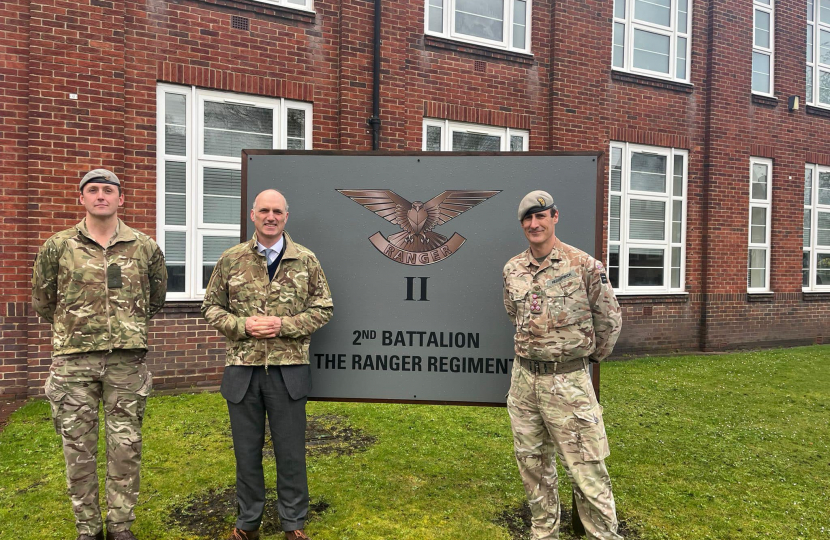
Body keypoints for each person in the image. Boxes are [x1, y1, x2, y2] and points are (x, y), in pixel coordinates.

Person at [32, 169, 168, 540]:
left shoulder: (144, 247)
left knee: (125, 448)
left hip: (126, 363)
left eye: (109, 190)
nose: (101, 196)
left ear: (121, 199)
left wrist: (125, 327)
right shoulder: (58, 246)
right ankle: (88, 528)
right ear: (82, 198)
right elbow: (44, 300)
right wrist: (77, 330)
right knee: (79, 449)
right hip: (74, 363)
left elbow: (155, 299)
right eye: (93, 190)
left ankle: (121, 527)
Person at [202, 189, 333, 540]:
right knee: (246, 453)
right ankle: (247, 523)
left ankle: (294, 523)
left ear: (286, 217)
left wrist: (283, 326)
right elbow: (210, 307)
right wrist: (241, 326)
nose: (270, 216)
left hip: (288, 370)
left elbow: (324, 308)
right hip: (242, 370)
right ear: (252, 215)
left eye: (277, 211)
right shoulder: (231, 259)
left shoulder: (305, 260)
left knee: (290, 452)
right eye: (264, 211)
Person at [502, 190, 623, 540]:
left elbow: (610, 320)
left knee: (587, 470)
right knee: (532, 467)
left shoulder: (583, 265)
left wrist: (585, 358)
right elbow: (515, 313)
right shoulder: (513, 269)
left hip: (568, 382)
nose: (534, 224)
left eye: (541, 216)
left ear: (555, 217)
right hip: (524, 382)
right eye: (528, 218)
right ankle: (544, 535)